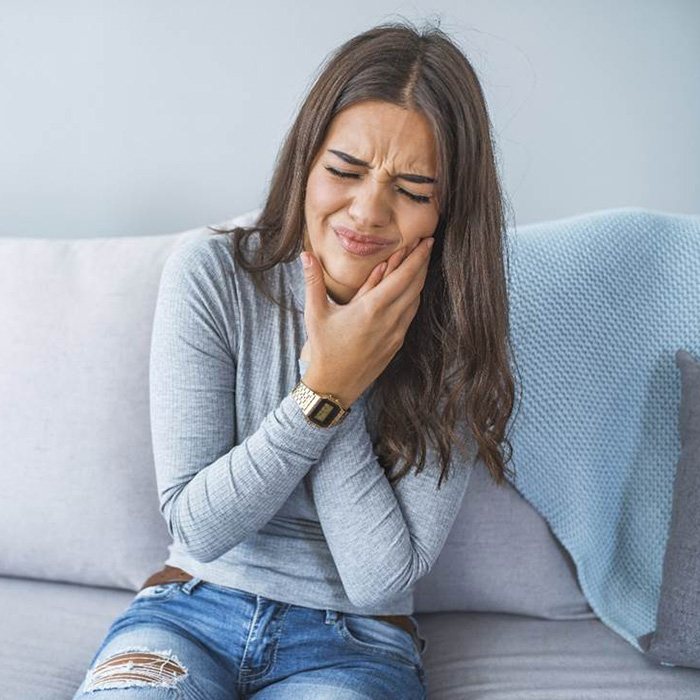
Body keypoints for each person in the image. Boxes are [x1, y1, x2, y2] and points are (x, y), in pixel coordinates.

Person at [73, 18, 517, 700]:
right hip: (187, 612)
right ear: (306, 162)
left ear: (448, 211)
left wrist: (345, 370)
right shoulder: (212, 273)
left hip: (357, 645)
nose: (367, 210)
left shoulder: (458, 326)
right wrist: (324, 389)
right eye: (345, 170)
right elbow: (198, 524)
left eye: (412, 190)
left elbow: (380, 581)